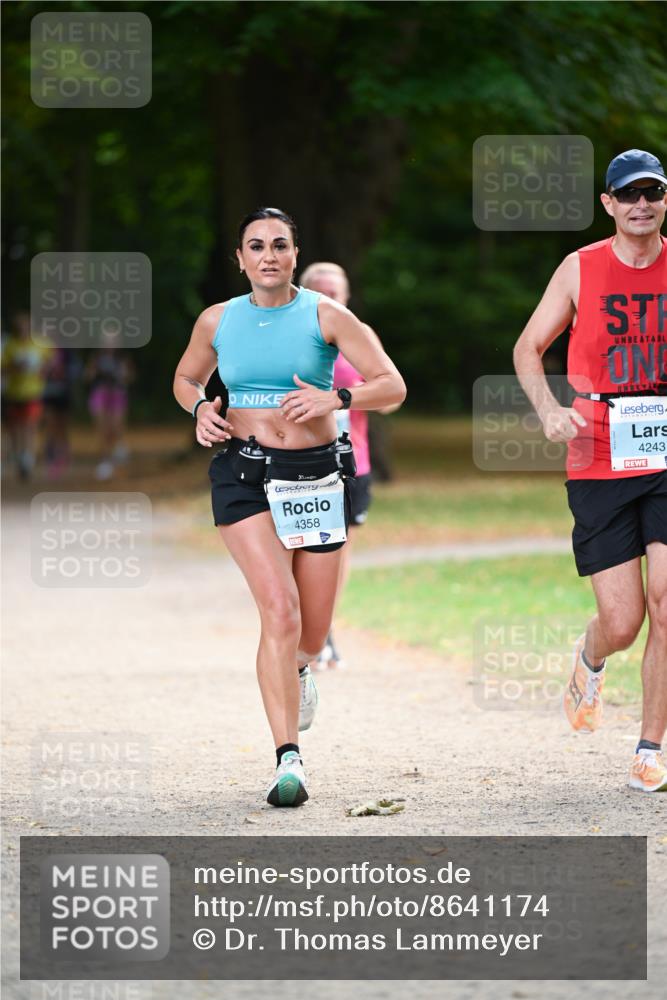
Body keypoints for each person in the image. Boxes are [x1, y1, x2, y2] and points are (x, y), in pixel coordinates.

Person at [173, 208, 406, 807]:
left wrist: (337, 395)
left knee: (312, 629)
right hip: (243, 475)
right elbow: (186, 378)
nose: (269, 255)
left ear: (294, 254)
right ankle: (287, 760)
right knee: (279, 610)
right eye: (256, 246)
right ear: (241, 258)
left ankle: (300, 669)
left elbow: (392, 385)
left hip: (315, 477)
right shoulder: (217, 319)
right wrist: (201, 408)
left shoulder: (327, 315)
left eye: (280, 244)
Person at [513, 149, 667, 792]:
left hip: (665, 450)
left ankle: (650, 748)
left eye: (653, 192)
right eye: (628, 194)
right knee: (624, 621)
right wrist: (549, 411)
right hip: (598, 453)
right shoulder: (580, 268)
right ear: (608, 203)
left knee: (666, 603)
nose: (642, 204)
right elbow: (528, 347)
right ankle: (592, 656)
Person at [300, 262, 401, 669]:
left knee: (337, 555)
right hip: (298, 461)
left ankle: (323, 633)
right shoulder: (289, 334)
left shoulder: (361, 336)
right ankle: (301, 632)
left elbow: (392, 398)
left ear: (347, 297)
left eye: (335, 293)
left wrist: (349, 396)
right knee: (300, 552)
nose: (328, 299)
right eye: (319, 292)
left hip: (350, 461)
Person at [2, 310, 50, 481]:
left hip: (33, 392)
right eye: (21, 326)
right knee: (15, 427)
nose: (24, 329)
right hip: (14, 392)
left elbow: (51, 363)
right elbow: (3, 368)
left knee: (30, 426)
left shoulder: (40, 344)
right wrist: (15, 368)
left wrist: (44, 369)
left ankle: (27, 459)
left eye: (26, 326)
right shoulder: (10, 345)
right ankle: (18, 454)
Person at [85, 343, 134, 481]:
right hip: (100, 394)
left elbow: (131, 376)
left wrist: (124, 374)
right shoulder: (96, 357)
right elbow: (88, 376)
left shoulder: (123, 358)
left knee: (115, 427)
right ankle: (105, 462)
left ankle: (118, 448)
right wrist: (93, 372)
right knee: (103, 429)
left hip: (117, 394)